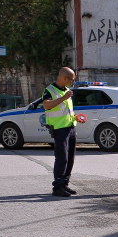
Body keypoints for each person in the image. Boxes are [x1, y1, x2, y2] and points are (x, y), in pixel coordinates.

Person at [42, 67, 77, 198]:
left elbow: (66, 111)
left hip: (70, 127)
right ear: (64, 78)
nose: (73, 82)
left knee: (70, 158)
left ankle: (65, 183)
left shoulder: (67, 91)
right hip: (59, 129)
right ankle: (57, 187)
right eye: (72, 79)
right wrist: (63, 98)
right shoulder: (50, 90)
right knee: (62, 158)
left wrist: (75, 117)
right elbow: (47, 105)